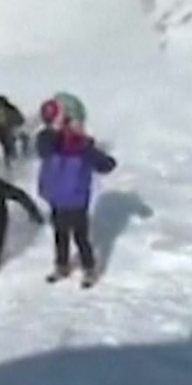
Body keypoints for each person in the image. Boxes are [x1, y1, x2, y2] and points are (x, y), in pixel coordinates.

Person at [36, 92, 117, 288]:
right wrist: (55, 128)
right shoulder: (50, 141)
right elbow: (43, 148)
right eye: (74, 122)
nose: (78, 126)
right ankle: (61, 265)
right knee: (60, 235)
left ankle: (89, 268)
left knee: (81, 237)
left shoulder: (83, 147)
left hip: (76, 199)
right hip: (56, 197)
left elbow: (104, 164)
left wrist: (103, 159)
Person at [0, 95, 26, 165]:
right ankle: (7, 161)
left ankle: (7, 161)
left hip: (0, 131)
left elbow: (21, 121)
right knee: (8, 143)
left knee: (8, 142)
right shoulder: (10, 108)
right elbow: (21, 120)